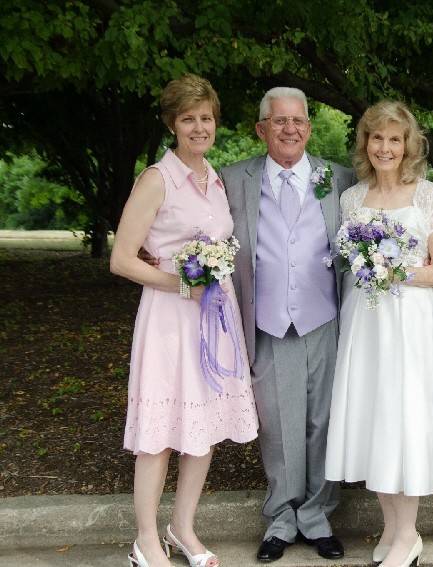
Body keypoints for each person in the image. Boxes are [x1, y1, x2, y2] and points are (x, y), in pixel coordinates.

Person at [110, 74, 259, 567]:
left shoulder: (214, 178)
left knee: (204, 427)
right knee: (161, 433)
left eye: (206, 118)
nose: (199, 127)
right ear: (172, 124)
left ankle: (183, 528)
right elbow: (122, 259)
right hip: (169, 318)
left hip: (215, 319)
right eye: (188, 119)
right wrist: (179, 283)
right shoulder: (158, 178)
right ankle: (146, 540)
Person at [324, 100, 433, 567]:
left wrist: (389, 270)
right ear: (365, 143)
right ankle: (392, 528)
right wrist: (367, 267)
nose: (385, 148)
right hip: (365, 323)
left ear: (407, 145)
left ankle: (408, 535)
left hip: (410, 322)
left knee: (404, 418)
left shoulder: (428, 194)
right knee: (375, 419)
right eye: (377, 138)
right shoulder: (352, 199)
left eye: (394, 139)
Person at [220, 87, 356, 563]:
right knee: (277, 425)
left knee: (322, 420)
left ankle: (318, 515)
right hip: (269, 321)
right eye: (279, 121)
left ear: (309, 128)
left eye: (298, 121)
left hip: (324, 318)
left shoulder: (338, 178)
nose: (290, 129)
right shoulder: (233, 179)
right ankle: (281, 517)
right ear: (261, 129)